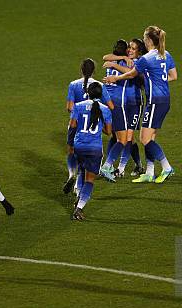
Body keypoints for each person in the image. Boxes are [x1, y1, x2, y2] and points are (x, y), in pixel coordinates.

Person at [104, 26, 177, 183]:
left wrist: (115, 78)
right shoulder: (166, 54)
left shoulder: (146, 58)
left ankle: (167, 167)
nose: (144, 41)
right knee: (151, 136)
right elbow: (173, 76)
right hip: (164, 100)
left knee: (144, 139)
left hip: (155, 101)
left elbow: (132, 74)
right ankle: (150, 172)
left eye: (145, 39)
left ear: (149, 40)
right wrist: (158, 80)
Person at [64, 59, 114, 193]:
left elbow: (69, 107)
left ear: (81, 70)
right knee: (85, 162)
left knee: (72, 152)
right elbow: (110, 106)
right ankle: (78, 187)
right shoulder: (99, 86)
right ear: (94, 71)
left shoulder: (73, 85)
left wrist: (79, 110)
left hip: (75, 125)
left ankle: (71, 174)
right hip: (91, 127)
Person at [102, 38, 147, 178]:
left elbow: (132, 72)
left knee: (127, 137)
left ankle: (120, 169)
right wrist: (121, 58)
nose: (130, 50)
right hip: (123, 104)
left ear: (139, 51)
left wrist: (114, 66)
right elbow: (106, 57)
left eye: (133, 48)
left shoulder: (140, 62)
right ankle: (138, 165)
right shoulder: (125, 59)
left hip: (134, 103)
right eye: (129, 48)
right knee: (119, 136)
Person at [69, 82, 112, 220]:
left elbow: (73, 125)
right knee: (90, 180)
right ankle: (79, 207)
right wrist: (99, 126)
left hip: (79, 146)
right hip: (94, 148)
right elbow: (109, 132)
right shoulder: (105, 109)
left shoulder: (78, 106)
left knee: (82, 170)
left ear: (88, 92)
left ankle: (78, 197)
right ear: (101, 95)